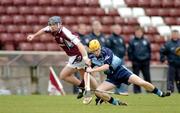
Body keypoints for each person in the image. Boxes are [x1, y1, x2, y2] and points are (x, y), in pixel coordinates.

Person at [27, 16, 98, 104]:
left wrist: (85, 58)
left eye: (54, 25)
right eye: (50, 24)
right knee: (80, 76)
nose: (52, 26)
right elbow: (43, 30)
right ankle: (91, 90)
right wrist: (33, 36)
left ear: (59, 24)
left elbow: (80, 45)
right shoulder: (52, 29)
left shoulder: (65, 33)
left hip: (78, 55)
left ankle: (89, 91)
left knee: (67, 75)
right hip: (73, 56)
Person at [86, 39, 171, 106]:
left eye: (97, 50)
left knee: (141, 82)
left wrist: (92, 70)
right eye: (93, 51)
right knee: (98, 92)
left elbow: (106, 66)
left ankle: (160, 93)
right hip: (111, 77)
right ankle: (116, 103)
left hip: (121, 71)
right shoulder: (91, 56)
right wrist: (88, 66)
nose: (95, 52)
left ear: (100, 47)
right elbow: (88, 68)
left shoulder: (106, 51)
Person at [128, 27, 152, 93]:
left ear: (142, 33)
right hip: (136, 63)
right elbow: (129, 52)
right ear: (135, 33)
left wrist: (148, 60)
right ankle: (137, 91)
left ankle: (150, 90)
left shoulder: (146, 41)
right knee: (136, 78)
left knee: (147, 77)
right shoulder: (132, 41)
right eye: (137, 32)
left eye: (140, 32)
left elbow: (149, 51)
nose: (138, 33)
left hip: (145, 62)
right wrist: (132, 60)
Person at [106, 24, 128, 95]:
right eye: (116, 29)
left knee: (122, 74)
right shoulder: (110, 38)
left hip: (121, 59)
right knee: (114, 75)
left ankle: (121, 90)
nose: (117, 30)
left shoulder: (121, 38)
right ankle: (113, 90)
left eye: (119, 29)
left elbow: (124, 47)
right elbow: (108, 49)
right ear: (113, 30)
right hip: (114, 60)